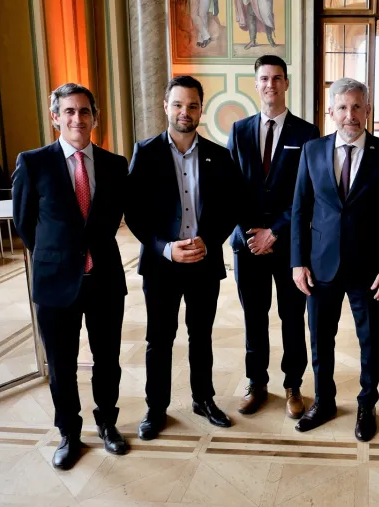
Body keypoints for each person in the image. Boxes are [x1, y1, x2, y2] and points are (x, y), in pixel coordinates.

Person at [12, 83, 129, 470]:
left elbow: (114, 217)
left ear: (95, 117)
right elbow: (25, 222)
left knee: (107, 359)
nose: (77, 118)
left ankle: (108, 424)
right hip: (55, 281)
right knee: (61, 364)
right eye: (69, 111)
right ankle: (69, 433)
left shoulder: (115, 164)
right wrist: (57, 254)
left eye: (84, 111)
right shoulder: (34, 163)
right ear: (55, 118)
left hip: (104, 279)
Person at [126, 75, 244, 436]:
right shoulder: (146, 153)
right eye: (178, 104)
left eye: (192, 105)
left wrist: (210, 241)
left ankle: (203, 399)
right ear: (166, 106)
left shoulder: (219, 156)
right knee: (159, 339)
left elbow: (230, 207)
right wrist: (164, 248)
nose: (184, 112)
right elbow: (134, 213)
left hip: (203, 262)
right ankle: (156, 409)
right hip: (162, 264)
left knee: (201, 336)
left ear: (200, 110)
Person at [290, 77, 379, 442]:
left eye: (357, 107)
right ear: (331, 111)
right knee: (320, 340)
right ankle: (324, 401)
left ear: (368, 110)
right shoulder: (312, 150)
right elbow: (299, 210)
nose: (349, 115)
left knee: (370, 341)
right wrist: (297, 261)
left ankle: (367, 404)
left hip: (368, 268)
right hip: (319, 266)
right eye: (342, 107)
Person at [227, 55, 320, 419]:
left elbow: (307, 193)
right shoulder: (239, 130)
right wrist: (249, 233)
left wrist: (274, 232)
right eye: (264, 78)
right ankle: (257, 383)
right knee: (254, 318)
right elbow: (231, 188)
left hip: (289, 244)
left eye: (277, 78)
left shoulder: (306, 133)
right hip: (248, 243)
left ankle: (293, 385)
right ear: (256, 84)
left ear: (286, 83)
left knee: (293, 317)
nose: (270, 84)